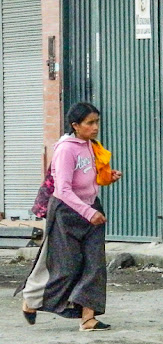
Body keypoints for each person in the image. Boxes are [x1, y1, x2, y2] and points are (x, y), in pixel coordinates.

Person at [16, 102, 121, 331]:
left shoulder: (91, 145)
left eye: (97, 122)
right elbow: (62, 190)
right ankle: (31, 299)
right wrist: (87, 212)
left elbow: (87, 178)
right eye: (90, 123)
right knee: (66, 267)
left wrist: (107, 178)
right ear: (75, 125)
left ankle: (88, 318)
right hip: (67, 213)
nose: (95, 127)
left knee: (95, 265)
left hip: (92, 209)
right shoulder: (66, 149)